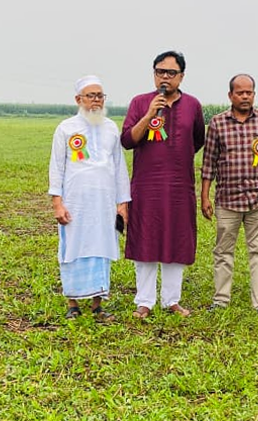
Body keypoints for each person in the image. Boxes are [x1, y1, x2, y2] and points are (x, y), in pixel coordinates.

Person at [121, 51, 205, 318]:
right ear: (154, 73)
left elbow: (197, 140)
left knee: (176, 240)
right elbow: (127, 140)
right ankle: (144, 301)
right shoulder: (140, 102)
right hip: (147, 185)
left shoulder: (193, 105)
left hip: (180, 186)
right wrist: (148, 115)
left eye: (171, 73)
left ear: (181, 76)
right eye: (160, 72)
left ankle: (172, 300)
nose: (165, 77)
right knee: (145, 238)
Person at [48, 76, 130, 321]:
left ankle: (98, 305)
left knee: (101, 248)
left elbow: (119, 167)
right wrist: (57, 203)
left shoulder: (111, 128)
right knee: (72, 248)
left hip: (104, 203)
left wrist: (122, 203)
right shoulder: (66, 128)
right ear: (78, 99)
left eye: (100, 96)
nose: (96, 100)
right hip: (75, 202)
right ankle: (72, 303)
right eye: (91, 95)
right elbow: (56, 167)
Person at [200, 74, 258, 316]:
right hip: (227, 200)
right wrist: (204, 196)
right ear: (230, 95)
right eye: (240, 92)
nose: (245, 96)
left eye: (249, 92)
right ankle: (221, 299)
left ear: (254, 94)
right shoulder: (218, 122)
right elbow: (209, 162)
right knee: (223, 251)